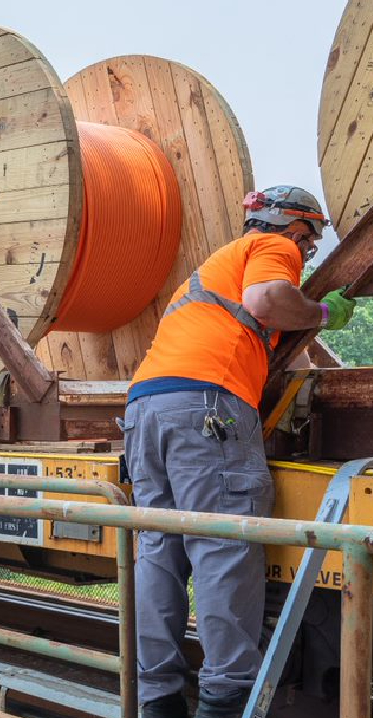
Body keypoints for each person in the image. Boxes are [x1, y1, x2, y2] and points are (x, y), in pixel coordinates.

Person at [124, 186, 357, 718]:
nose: (306, 249)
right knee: (223, 545)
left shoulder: (210, 271)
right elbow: (266, 301)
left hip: (146, 408)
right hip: (207, 406)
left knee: (160, 549)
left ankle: (157, 698)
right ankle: (225, 699)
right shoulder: (274, 248)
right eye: (309, 238)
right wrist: (322, 312)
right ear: (295, 228)